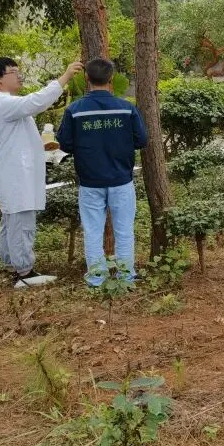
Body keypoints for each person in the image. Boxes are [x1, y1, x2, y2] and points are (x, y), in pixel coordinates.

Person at [0, 57, 82, 288]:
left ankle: (14, 266)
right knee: (20, 223)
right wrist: (65, 77)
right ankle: (25, 273)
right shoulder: (2, 103)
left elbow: (21, 140)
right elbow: (36, 101)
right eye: (13, 71)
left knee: (12, 223)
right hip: (16, 177)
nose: (19, 75)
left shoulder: (7, 104)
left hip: (16, 175)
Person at [57, 58, 148, 286]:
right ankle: (126, 277)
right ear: (111, 79)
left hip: (90, 182)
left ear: (86, 78)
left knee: (93, 231)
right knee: (124, 231)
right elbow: (142, 140)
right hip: (121, 180)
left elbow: (65, 144)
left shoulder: (75, 110)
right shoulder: (127, 109)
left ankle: (97, 279)